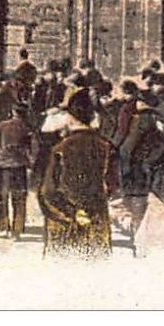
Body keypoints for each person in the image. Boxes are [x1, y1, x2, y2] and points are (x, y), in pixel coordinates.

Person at [37, 89, 118, 257]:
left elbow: (47, 192)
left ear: (70, 117)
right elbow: (112, 185)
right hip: (96, 223)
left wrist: (72, 213)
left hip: (65, 227)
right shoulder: (107, 148)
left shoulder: (59, 149)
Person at [0, 102, 40, 240]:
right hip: (20, 166)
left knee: (2, 197)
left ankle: (3, 227)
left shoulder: (3, 125)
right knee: (19, 198)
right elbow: (35, 148)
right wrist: (31, 163)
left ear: (13, 112)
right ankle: (17, 231)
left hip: (4, 165)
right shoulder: (27, 128)